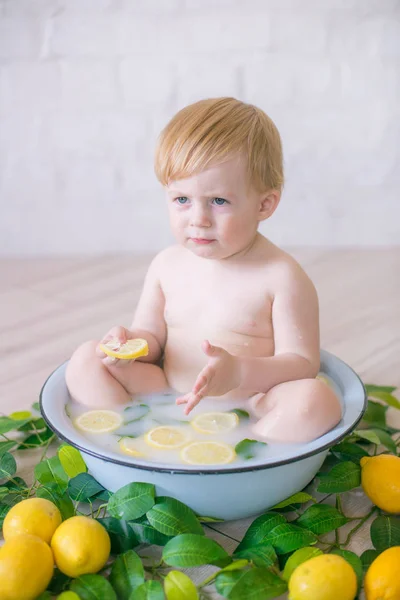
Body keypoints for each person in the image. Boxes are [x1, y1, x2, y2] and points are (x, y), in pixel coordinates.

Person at [66, 97, 342, 443]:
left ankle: (251, 450)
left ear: (264, 204)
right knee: (84, 361)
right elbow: (151, 339)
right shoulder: (167, 265)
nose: (198, 219)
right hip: (167, 390)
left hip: (251, 401)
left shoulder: (281, 276)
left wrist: (241, 371)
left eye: (219, 201)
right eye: (182, 200)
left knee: (316, 401)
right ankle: (127, 438)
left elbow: (303, 363)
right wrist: (128, 344)